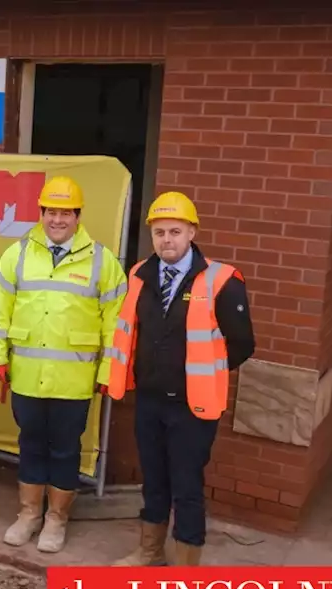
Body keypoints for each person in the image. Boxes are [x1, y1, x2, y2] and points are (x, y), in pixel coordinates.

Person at [108, 192, 255, 567]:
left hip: (193, 405)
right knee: (154, 480)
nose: (167, 240)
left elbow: (241, 345)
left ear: (192, 231)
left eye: (175, 231)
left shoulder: (222, 281)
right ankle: (150, 551)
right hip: (150, 400)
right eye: (159, 232)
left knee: (186, 487)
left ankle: (187, 566)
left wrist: (204, 372)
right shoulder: (140, 275)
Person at [0, 176, 127, 553]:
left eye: (66, 213)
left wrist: (109, 370)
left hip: (74, 379)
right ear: (41, 213)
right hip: (27, 376)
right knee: (30, 445)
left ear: (78, 216)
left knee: (65, 448)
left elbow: (117, 323)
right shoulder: (17, 254)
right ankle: (29, 514)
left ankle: (56, 519)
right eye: (51, 212)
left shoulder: (102, 260)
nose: (57, 220)